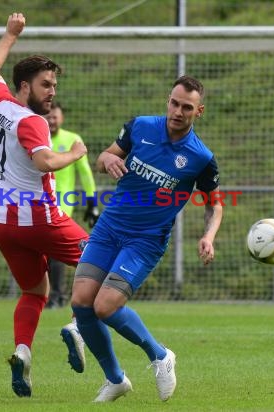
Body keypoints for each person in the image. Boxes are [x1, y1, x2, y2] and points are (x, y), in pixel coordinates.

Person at [68, 75, 223, 402]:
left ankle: (160, 355)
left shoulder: (201, 158)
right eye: (174, 103)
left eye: (187, 107)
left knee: (105, 306)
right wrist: (107, 158)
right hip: (109, 227)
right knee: (81, 303)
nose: (178, 111)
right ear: (168, 100)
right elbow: (104, 158)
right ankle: (115, 379)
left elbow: (214, 204)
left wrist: (209, 236)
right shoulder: (139, 127)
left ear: (200, 111)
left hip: (145, 240)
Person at [0, 12, 86, 398]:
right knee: (101, 259)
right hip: (39, 218)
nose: (52, 91)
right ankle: (78, 326)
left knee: (34, 292)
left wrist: (10, 35)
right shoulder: (32, 122)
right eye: (46, 84)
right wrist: (75, 153)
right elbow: (45, 161)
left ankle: (23, 353)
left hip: (2, 222)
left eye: (54, 84)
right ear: (25, 86)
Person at [44, 101, 100, 309]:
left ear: (62, 118)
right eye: (48, 116)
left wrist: (92, 202)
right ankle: (48, 294)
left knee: (55, 251)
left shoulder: (72, 140)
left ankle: (57, 296)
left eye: (55, 117)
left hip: (62, 205)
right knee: (42, 251)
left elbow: (85, 173)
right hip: (38, 204)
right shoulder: (39, 137)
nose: (51, 120)